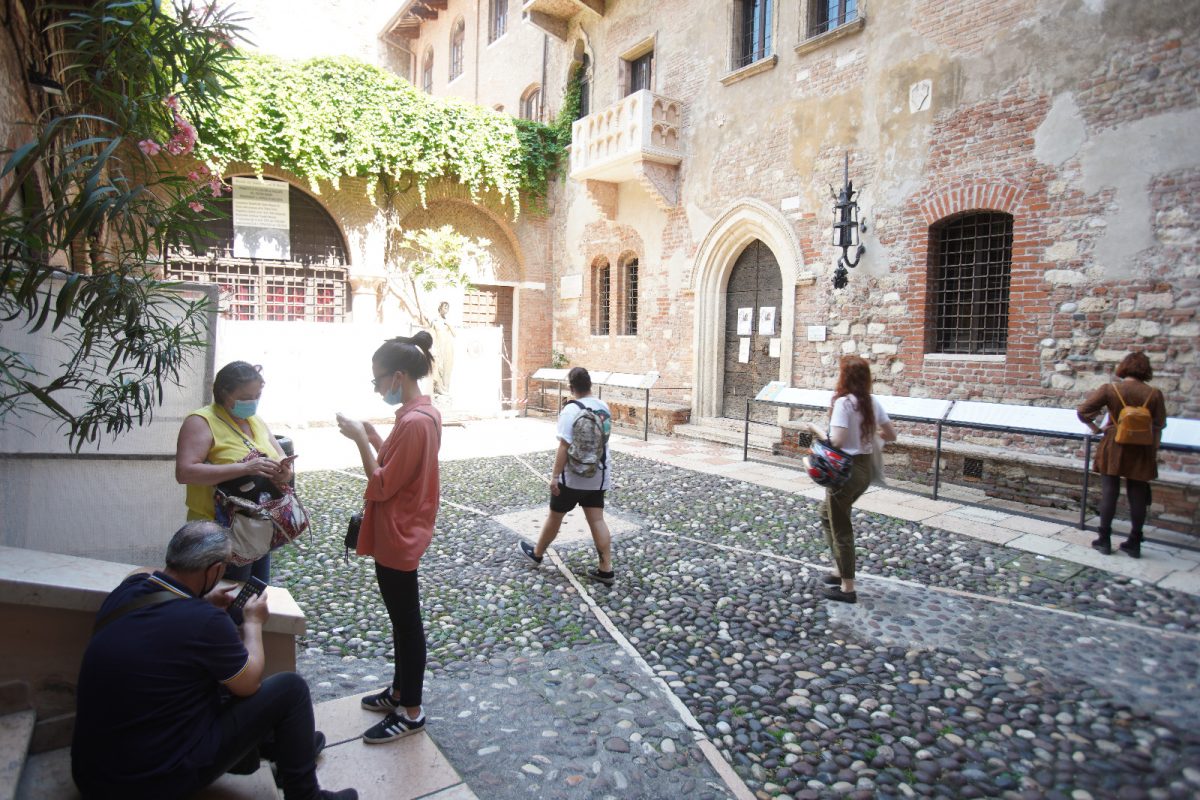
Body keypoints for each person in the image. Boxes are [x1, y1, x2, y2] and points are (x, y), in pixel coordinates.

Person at [71, 522, 355, 800]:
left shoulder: (128, 591)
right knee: (291, 690)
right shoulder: (204, 621)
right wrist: (253, 623)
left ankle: (287, 748)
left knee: (207, 680)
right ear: (216, 570)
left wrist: (201, 598)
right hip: (151, 783)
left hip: (92, 774)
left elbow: (148, 580)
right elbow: (249, 684)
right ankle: (306, 794)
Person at [336, 331, 442, 744]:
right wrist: (375, 437)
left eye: (378, 380)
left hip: (400, 531)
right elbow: (397, 466)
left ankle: (411, 710)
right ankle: (399, 690)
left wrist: (361, 441)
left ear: (398, 376)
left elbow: (381, 485)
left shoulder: (415, 422)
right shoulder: (420, 415)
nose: (377, 387)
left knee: (406, 623)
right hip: (403, 525)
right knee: (402, 621)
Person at [176, 361, 292, 583]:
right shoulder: (201, 421)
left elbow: (279, 460)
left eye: (257, 395)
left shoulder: (256, 421)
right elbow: (185, 472)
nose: (253, 402)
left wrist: (283, 473)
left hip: (257, 525)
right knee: (225, 595)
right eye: (246, 397)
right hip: (216, 530)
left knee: (254, 593)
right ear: (224, 393)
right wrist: (245, 468)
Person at [808, 355, 897, 604]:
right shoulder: (871, 402)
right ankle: (840, 568)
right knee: (827, 514)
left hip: (844, 471)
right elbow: (890, 435)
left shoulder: (844, 404)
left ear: (844, 377)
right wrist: (867, 432)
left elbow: (837, 440)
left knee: (841, 527)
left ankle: (847, 587)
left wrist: (823, 435)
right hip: (864, 469)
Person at [518, 366, 615, 586]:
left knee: (555, 516)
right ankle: (606, 568)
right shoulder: (603, 407)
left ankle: (537, 553)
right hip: (597, 475)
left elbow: (564, 446)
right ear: (590, 385)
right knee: (597, 519)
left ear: (571, 388)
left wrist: (554, 477)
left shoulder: (570, 410)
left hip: (571, 478)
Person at [1076, 351, 1167, 558]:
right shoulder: (1154, 394)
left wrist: (1096, 429)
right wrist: (1153, 450)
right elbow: (1159, 425)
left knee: (1110, 491)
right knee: (1138, 494)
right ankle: (1134, 542)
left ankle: (1104, 539)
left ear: (1124, 367)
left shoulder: (1111, 389)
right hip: (1142, 447)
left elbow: (1083, 411)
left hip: (1114, 444)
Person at [430, 300, 456, 397]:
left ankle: (445, 389)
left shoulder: (448, 322)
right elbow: (431, 336)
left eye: (447, 308)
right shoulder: (435, 321)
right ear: (440, 308)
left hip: (448, 348)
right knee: (438, 368)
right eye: (444, 307)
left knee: (447, 369)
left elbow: (455, 334)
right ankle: (437, 389)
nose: (446, 309)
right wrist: (432, 349)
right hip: (438, 347)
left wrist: (448, 324)